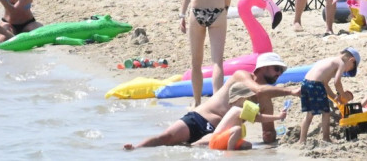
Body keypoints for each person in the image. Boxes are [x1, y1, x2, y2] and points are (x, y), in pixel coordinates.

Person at [124, 52, 300, 149]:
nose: (279, 74)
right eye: (277, 69)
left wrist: (273, 134)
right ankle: (135, 149)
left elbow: (268, 134)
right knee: (167, 138)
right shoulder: (242, 75)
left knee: (243, 145)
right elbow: (258, 89)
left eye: (282, 72)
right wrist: (291, 91)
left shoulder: (266, 99)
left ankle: (193, 146)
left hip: (219, 131)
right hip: (199, 118)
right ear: (262, 68)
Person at [299, 48, 360, 144]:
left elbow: (325, 84)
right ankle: (326, 138)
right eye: (350, 69)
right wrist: (343, 94)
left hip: (305, 83)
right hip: (316, 84)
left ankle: (302, 140)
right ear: (351, 60)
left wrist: (335, 97)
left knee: (309, 114)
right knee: (326, 113)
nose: (346, 71)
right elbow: (337, 82)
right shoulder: (341, 63)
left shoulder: (329, 60)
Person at [201, 98, 288, 151]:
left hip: (218, 141)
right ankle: (229, 153)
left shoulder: (236, 111)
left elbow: (256, 116)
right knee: (237, 129)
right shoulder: (237, 110)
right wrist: (278, 116)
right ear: (239, 99)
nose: (250, 101)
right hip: (216, 142)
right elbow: (258, 118)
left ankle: (230, 150)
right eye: (247, 98)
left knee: (248, 145)